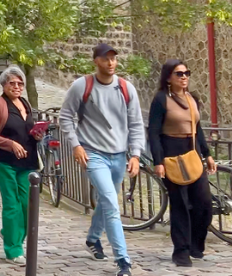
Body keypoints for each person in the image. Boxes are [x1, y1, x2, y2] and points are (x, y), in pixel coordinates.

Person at [58, 43, 146, 276]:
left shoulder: (127, 89)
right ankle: (123, 261)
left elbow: (136, 124)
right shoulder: (82, 86)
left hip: (119, 155)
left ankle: (93, 238)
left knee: (107, 201)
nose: (111, 63)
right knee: (111, 202)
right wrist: (76, 145)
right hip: (93, 154)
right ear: (95, 61)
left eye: (114, 59)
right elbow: (65, 117)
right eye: (106, 59)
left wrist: (135, 154)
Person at [147, 59, 216, 267]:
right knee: (180, 205)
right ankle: (181, 251)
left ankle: (196, 244)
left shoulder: (191, 98)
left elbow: (198, 128)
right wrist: (158, 161)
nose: (184, 76)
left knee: (204, 203)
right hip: (172, 153)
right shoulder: (161, 100)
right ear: (169, 77)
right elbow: (153, 132)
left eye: (187, 73)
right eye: (179, 73)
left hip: (192, 152)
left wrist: (207, 154)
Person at [0, 66, 43, 266]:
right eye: (12, 83)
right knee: (12, 205)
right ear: (4, 85)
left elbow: (25, 130)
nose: (16, 86)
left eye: (20, 83)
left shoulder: (25, 103)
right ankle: (13, 249)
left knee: (27, 205)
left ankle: (9, 232)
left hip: (28, 162)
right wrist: (10, 144)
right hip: (5, 162)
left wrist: (37, 135)